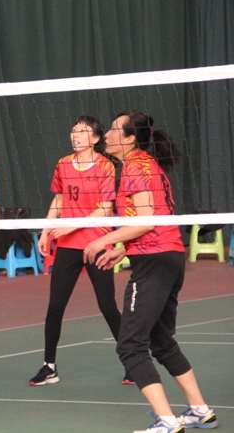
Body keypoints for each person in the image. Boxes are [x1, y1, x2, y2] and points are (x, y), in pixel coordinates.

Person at [85, 111, 218, 433]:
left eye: (114, 129)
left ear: (130, 138)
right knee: (161, 340)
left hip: (154, 262)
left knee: (130, 346)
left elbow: (146, 222)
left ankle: (167, 421)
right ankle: (200, 410)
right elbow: (153, 220)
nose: (107, 135)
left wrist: (103, 239)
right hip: (167, 256)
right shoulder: (146, 164)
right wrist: (122, 249)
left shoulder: (136, 166)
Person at [29, 116, 127, 386]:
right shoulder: (63, 163)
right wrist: (46, 230)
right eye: (74, 131)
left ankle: (133, 362)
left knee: (107, 306)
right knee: (55, 307)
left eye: (82, 132)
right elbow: (59, 199)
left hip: (97, 243)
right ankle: (49, 367)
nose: (76, 135)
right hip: (67, 245)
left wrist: (71, 225)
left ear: (95, 138)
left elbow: (105, 209)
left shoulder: (106, 166)